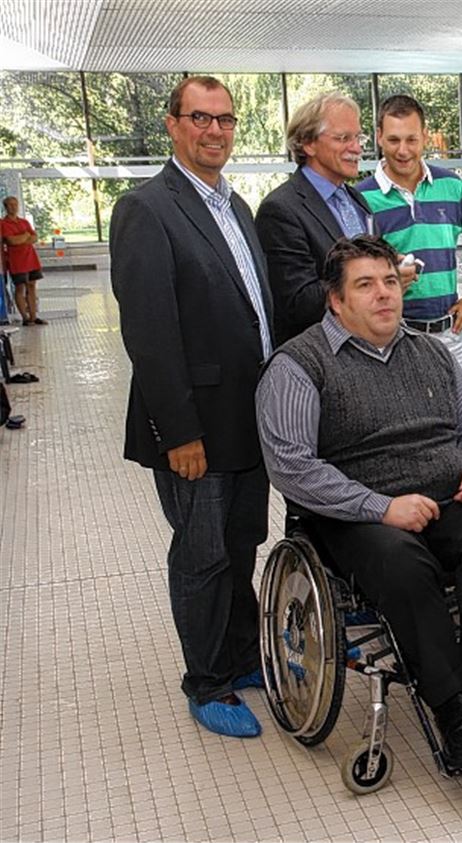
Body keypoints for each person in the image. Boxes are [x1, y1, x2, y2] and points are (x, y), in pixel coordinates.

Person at [256, 234, 462, 769]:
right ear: (335, 300)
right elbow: (292, 466)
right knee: (402, 562)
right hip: (353, 517)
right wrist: (381, 507)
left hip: (444, 502)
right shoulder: (300, 365)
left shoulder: (430, 352)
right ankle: (452, 708)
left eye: (390, 281)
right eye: (365, 285)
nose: (384, 295)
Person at [110, 76, 274, 739]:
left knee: (241, 545)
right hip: (195, 426)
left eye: (226, 119)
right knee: (202, 554)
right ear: (174, 124)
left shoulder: (235, 207)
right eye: (200, 118)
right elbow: (149, 333)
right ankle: (205, 680)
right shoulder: (147, 208)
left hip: (247, 417)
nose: (215, 131)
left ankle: (239, 658)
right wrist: (177, 430)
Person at [356, 94, 462, 374]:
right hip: (390, 338)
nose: (403, 150)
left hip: (449, 337)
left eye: (411, 139)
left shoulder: (450, 186)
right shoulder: (361, 199)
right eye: (393, 140)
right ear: (378, 137)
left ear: (425, 137)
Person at [255, 92, 379, 342]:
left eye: (359, 137)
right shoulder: (280, 210)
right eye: (343, 138)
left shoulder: (356, 200)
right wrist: (368, 283)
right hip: (321, 360)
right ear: (307, 143)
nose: (356, 148)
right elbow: (298, 303)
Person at [1, 196, 46, 326]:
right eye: (10, 205)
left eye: (15, 204)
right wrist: (25, 236)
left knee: (32, 286)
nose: (13, 207)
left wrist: (24, 238)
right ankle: (25, 317)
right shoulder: (3, 224)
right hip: (17, 261)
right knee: (20, 287)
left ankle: (33, 315)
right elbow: (12, 241)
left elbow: (34, 237)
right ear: (6, 207)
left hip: (31, 259)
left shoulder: (24, 222)